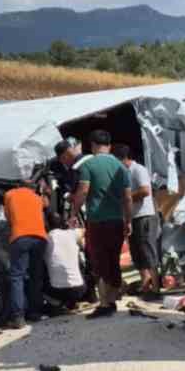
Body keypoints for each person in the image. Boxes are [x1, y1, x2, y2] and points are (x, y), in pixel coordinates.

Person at [71, 129, 131, 317]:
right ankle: (111, 301)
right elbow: (128, 198)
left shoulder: (89, 165)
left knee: (99, 262)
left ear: (93, 146)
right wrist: (128, 220)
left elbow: (83, 191)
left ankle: (104, 303)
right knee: (113, 261)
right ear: (109, 146)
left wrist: (74, 211)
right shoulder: (121, 168)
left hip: (97, 221)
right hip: (117, 221)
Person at [1, 171, 49, 326]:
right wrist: (42, 190)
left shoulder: (9, 195)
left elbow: (8, 217)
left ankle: (18, 317)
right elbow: (46, 205)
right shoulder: (37, 198)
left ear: (17, 184)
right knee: (35, 276)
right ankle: (35, 313)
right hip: (40, 238)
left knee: (17, 276)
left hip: (20, 237)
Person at [114, 142, 160, 295]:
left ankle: (156, 287)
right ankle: (145, 284)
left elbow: (145, 191)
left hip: (144, 216)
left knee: (148, 251)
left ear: (121, 158)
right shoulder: (123, 173)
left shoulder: (138, 169)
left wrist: (126, 197)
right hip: (132, 217)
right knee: (137, 253)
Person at [45, 223, 88, 310]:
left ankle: (56, 304)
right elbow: (85, 230)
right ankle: (74, 302)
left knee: (38, 276)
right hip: (80, 289)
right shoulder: (71, 233)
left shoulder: (45, 239)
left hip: (57, 292)